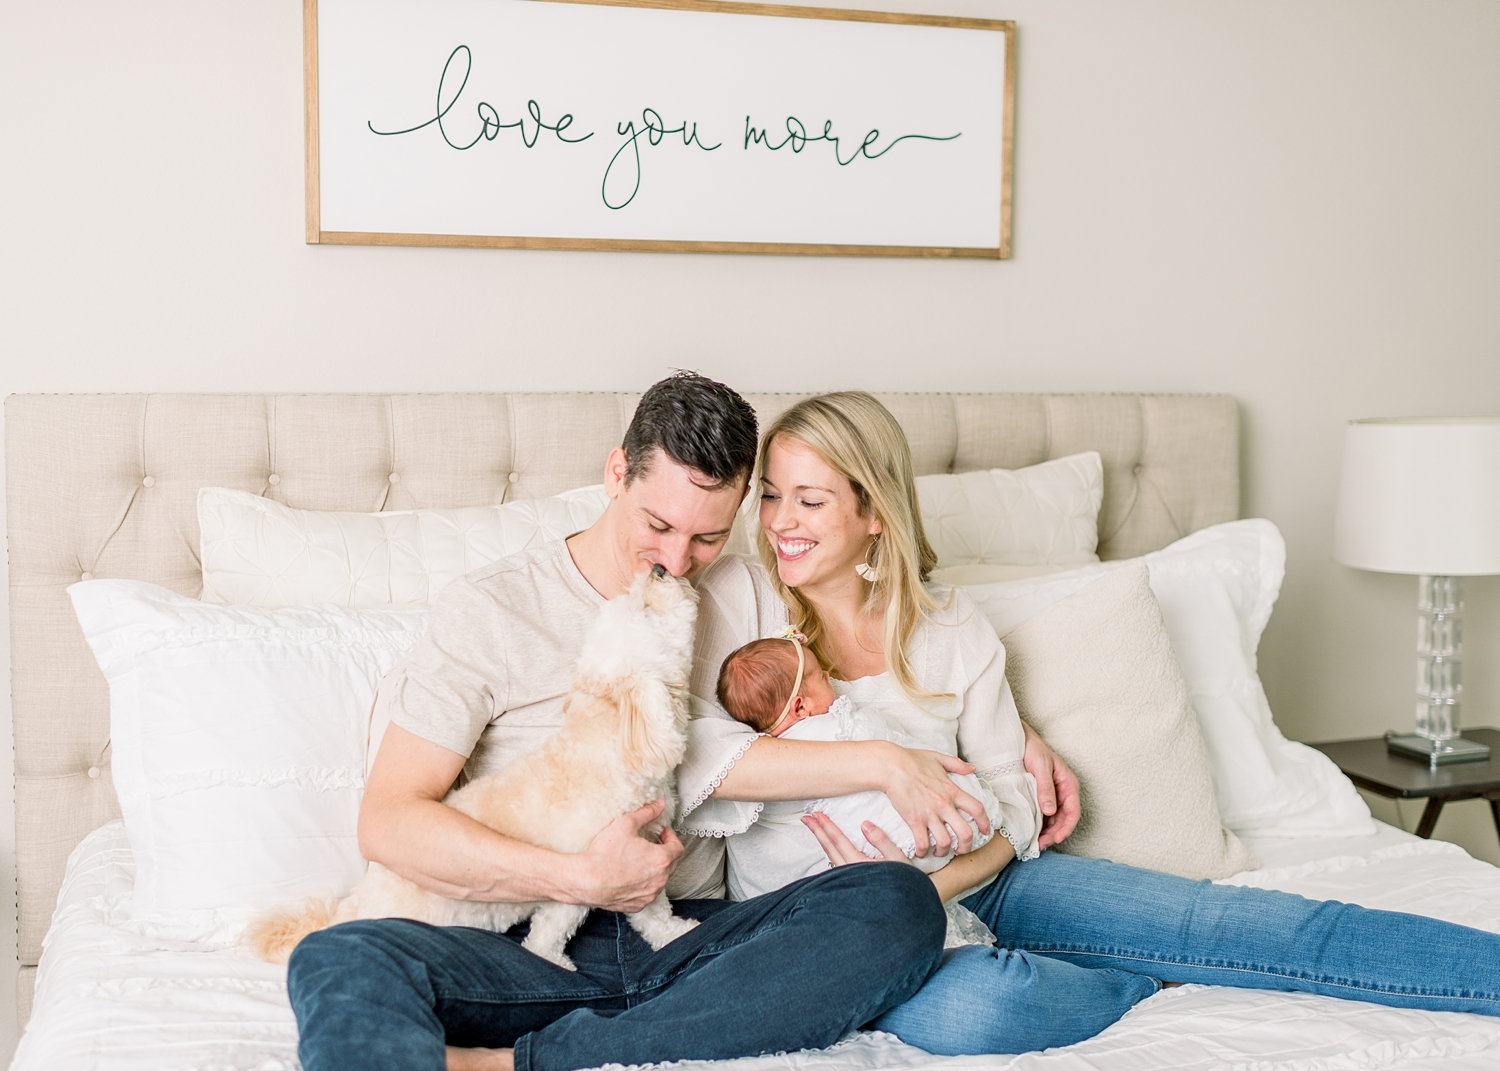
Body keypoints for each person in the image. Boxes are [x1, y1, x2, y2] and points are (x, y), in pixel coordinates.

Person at [679, 390, 1500, 1056]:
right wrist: (886, 763)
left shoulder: (950, 628)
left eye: (811, 499)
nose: (781, 520)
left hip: (985, 878)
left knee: (1251, 923)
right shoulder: (737, 603)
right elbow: (696, 763)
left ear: (874, 513)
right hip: (829, 924)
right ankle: (1139, 983)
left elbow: (1014, 799)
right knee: (985, 1011)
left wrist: (939, 883)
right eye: (774, 495)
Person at [283, 373, 966, 1071]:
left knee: (896, 901)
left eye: (708, 536)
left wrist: (1013, 740)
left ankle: (516, 1061)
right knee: (338, 955)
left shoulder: (751, 590)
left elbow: (872, 660)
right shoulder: (491, 609)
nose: (677, 562)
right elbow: (390, 821)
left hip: (688, 939)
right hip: (526, 947)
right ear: (617, 474)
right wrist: (579, 877)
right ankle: (650, 1037)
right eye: (659, 525)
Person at [715, 630, 1008, 903]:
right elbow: (882, 734)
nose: (829, 675)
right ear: (800, 707)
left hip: (880, 864)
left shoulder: (778, 750)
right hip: (896, 852)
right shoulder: (835, 729)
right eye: (821, 677)